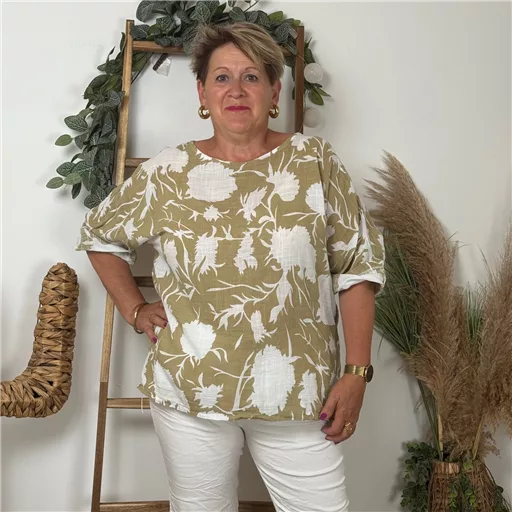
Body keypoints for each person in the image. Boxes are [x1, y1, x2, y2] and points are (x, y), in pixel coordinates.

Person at [77, 22, 385, 512]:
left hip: (299, 390)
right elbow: (100, 236)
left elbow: (356, 266)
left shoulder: (314, 161)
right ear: (202, 93)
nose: (236, 90)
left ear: (274, 91)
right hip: (191, 389)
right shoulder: (168, 173)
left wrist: (357, 372)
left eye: (251, 77)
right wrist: (135, 309)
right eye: (221, 77)